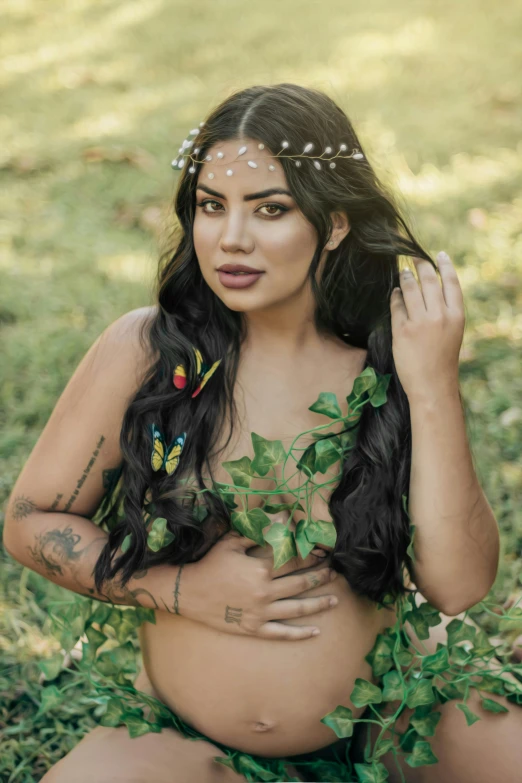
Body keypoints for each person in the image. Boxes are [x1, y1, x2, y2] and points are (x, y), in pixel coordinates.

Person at [3, 83, 521, 783]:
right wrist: (180, 587)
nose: (232, 238)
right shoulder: (151, 353)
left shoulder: (389, 364)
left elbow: (458, 587)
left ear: (334, 224)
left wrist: (430, 384)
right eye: (212, 206)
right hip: (197, 744)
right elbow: (30, 521)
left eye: (270, 209)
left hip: (394, 715)